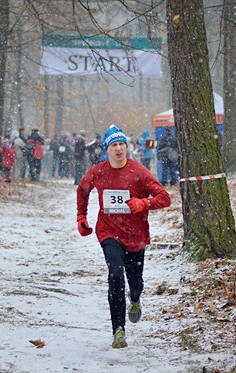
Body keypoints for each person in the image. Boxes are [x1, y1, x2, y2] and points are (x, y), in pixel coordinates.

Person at [76, 125, 171, 349]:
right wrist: (81, 215)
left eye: (121, 145)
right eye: (114, 145)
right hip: (109, 231)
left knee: (134, 280)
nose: (118, 149)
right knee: (115, 276)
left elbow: (164, 198)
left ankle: (135, 297)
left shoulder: (138, 172)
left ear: (126, 147)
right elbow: (82, 189)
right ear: (107, 149)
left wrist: (144, 203)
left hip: (136, 234)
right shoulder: (98, 171)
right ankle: (118, 330)